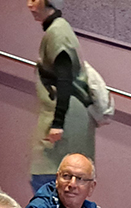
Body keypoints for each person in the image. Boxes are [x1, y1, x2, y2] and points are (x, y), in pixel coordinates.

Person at [28, 0, 93, 193]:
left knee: (49, 182)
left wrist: (58, 123)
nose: (29, 5)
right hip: (66, 116)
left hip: (65, 119)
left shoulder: (58, 33)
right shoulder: (58, 29)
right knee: (52, 184)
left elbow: (64, 79)